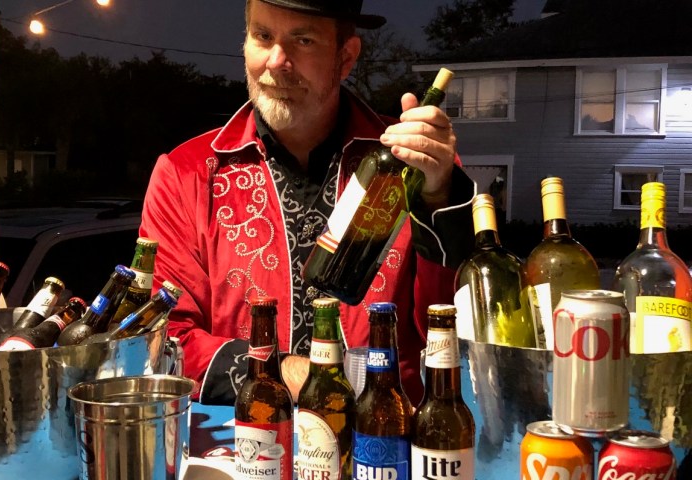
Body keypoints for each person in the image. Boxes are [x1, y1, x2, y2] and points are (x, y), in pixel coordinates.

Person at [140, 0, 475, 406]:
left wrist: (439, 197)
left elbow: (458, 333)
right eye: (263, 36)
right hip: (238, 452)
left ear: (346, 57)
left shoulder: (415, 166)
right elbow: (163, 338)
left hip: (382, 446)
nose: (277, 61)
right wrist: (283, 371)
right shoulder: (186, 173)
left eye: (303, 40)